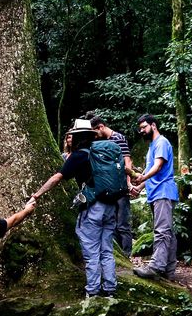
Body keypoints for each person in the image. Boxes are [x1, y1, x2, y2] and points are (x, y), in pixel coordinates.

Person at [29, 118, 123, 298]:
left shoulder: (80, 155)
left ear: (78, 137)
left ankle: (93, 291)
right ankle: (110, 289)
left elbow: (57, 178)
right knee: (106, 249)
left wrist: (37, 194)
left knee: (91, 250)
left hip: (93, 207)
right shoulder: (103, 152)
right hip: (111, 206)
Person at [131, 114, 179, 280]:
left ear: (153, 125)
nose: (142, 131)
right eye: (140, 129)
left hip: (163, 192)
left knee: (162, 231)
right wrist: (139, 186)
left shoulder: (161, 143)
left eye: (144, 127)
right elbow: (150, 172)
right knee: (167, 232)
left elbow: (158, 167)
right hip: (156, 193)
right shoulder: (152, 146)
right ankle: (169, 270)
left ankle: (156, 266)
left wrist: (142, 178)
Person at [88, 115, 137, 258]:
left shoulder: (118, 138)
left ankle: (127, 255)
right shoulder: (105, 142)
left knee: (122, 223)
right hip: (110, 188)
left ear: (101, 127)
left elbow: (127, 162)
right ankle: (118, 255)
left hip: (121, 187)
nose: (95, 136)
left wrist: (128, 183)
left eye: (95, 132)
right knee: (112, 224)